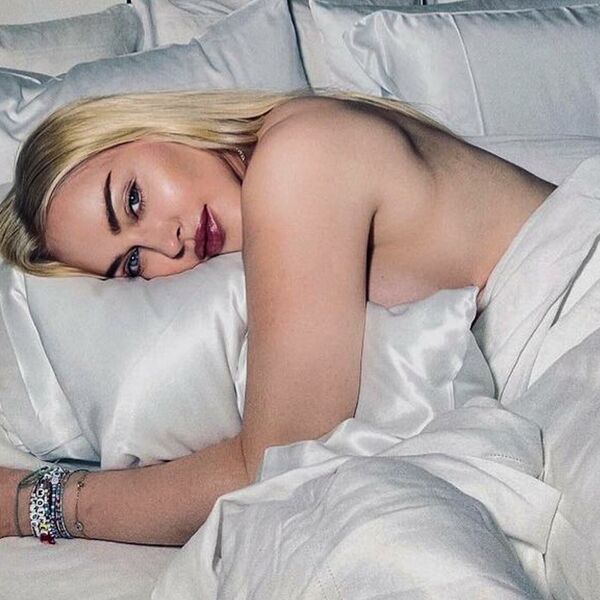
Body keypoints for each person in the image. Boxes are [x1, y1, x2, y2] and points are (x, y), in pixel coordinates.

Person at [0, 88, 555, 546]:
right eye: (132, 264)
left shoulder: (296, 158)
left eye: (133, 201)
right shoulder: (291, 145)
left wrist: (32, 504)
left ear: (148, 127)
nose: (168, 244)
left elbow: (274, 467)